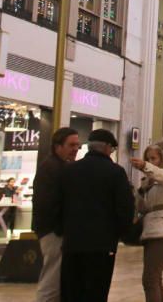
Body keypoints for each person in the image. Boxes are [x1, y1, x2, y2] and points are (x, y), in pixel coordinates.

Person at [56, 129, 135, 302]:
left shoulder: (69, 171)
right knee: (96, 292)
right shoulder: (115, 172)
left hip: (72, 243)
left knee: (72, 291)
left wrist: (63, 230)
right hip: (102, 244)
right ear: (107, 148)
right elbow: (125, 208)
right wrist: (122, 233)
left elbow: (59, 204)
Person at [130, 141, 163, 302]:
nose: (151, 162)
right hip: (151, 227)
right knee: (155, 278)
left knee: (149, 279)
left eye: (153, 158)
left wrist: (147, 167)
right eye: (148, 159)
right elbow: (142, 206)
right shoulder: (151, 180)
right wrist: (141, 190)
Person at [32, 127, 80, 302]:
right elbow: (47, 203)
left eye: (78, 145)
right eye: (71, 145)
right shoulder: (52, 168)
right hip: (53, 231)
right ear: (58, 146)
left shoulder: (60, 166)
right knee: (51, 282)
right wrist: (59, 228)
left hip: (56, 230)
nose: (75, 149)